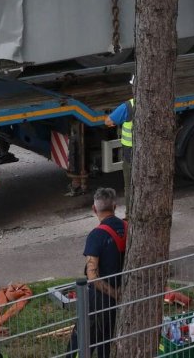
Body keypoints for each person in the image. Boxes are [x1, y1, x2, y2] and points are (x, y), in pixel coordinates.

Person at [68, 188, 127, 358]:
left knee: (80, 338)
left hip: (99, 299)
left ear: (94, 209)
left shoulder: (97, 235)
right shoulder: (127, 227)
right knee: (107, 340)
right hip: (124, 293)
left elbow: (92, 275)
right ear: (115, 206)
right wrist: (119, 293)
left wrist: (113, 293)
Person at [94, 77, 133, 216]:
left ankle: (131, 215)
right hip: (152, 154)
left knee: (131, 186)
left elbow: (108, 121)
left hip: (132, 154)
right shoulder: (158, 101)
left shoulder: (129, 106)